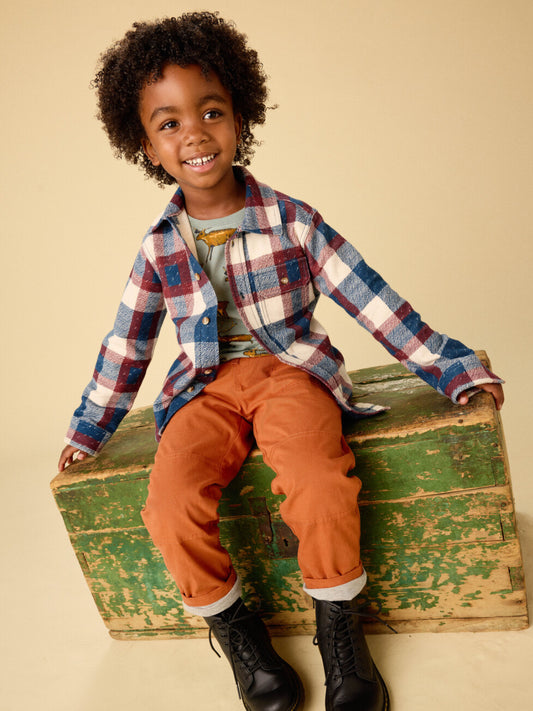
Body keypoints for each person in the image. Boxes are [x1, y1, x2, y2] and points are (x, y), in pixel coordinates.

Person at [58, 12, 504, 711]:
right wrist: (89, 431)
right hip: (203, 390)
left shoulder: (293, 220)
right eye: (169, 123)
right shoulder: (158, 246)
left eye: (211, 112)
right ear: (145, 145)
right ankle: (239, 634)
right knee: (167, 504)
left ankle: (339, 630)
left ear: (240, 116)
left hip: (290, 373)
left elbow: (374, 302)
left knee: (318, 481)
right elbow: (127, 346)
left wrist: (455, 371)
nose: (194, 134)